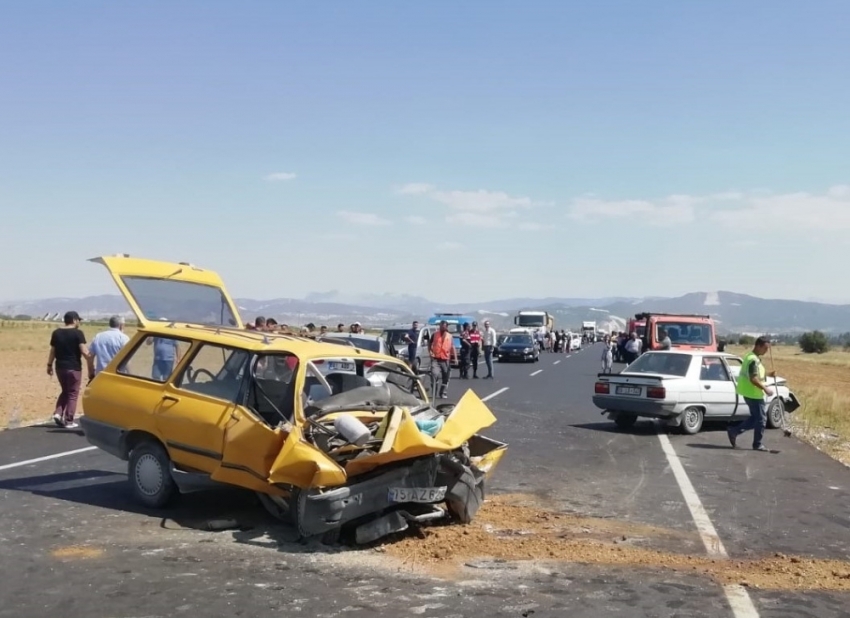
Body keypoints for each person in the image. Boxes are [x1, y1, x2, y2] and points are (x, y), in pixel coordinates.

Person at [727, 337, 776, 452]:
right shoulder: (753, 360)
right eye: (765, 348)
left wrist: (768, 374)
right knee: (761, 419)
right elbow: (753, 378)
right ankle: (757, 444)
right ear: (758, 346)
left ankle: (734, 431)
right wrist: (766, 389)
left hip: (749, 392)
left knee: (756, 418)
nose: (766, 351)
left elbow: (756, 375)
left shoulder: (751, 357)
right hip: (753, 393)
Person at [47, 311, 92, 428]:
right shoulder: (78, 333)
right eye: (78, 320)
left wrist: (49, 365)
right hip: (73, 367)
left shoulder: (56, 333)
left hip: (60, 367)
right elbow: (83, 350)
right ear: (74, 320)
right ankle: (69, 420)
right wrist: (90, 357)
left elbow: (53, 350)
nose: (79, 322)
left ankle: (58, 413)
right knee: (72, 393)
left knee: (65, 390)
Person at [429, 320, 457, 398]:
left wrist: (455, 358)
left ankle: (443, 392)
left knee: (446, 377)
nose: (442, 327)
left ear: (446, 327)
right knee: (434, 374)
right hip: (436, 359)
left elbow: (452, 347)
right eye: (441, 326)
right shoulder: (434, 335)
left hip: (445, 359)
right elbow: (429, 343)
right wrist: (430, 352)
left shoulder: (450, 336)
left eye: (444, 326)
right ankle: (434, 391)